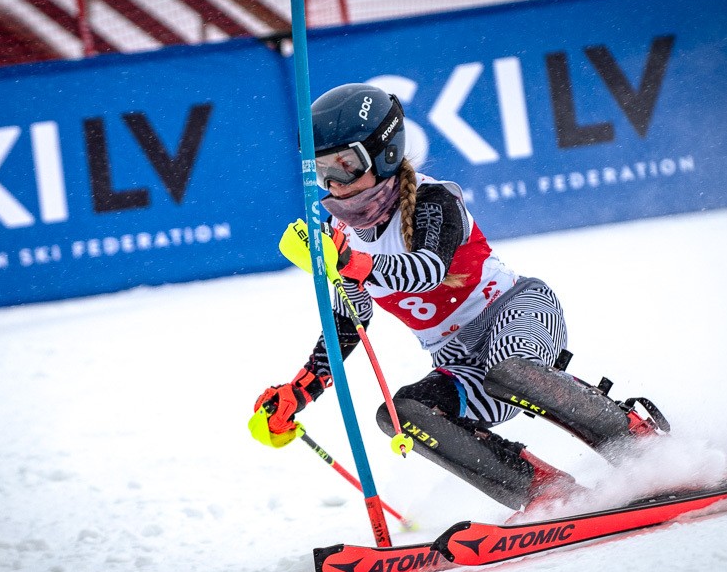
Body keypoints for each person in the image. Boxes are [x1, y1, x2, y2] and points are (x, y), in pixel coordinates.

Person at [253, 83, 667, 512]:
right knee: (401, 413)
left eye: (347, 165)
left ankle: (641, 445)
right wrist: (300, 390)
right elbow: (348, 321)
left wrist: (352, 262)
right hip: (458, 359)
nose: (335, 184)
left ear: (384, 153)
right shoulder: (338, 237)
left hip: (515, 312)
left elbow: (427, 270)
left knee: (508, 371)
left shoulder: (433, 200)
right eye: (323, 171)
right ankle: (546, 493)